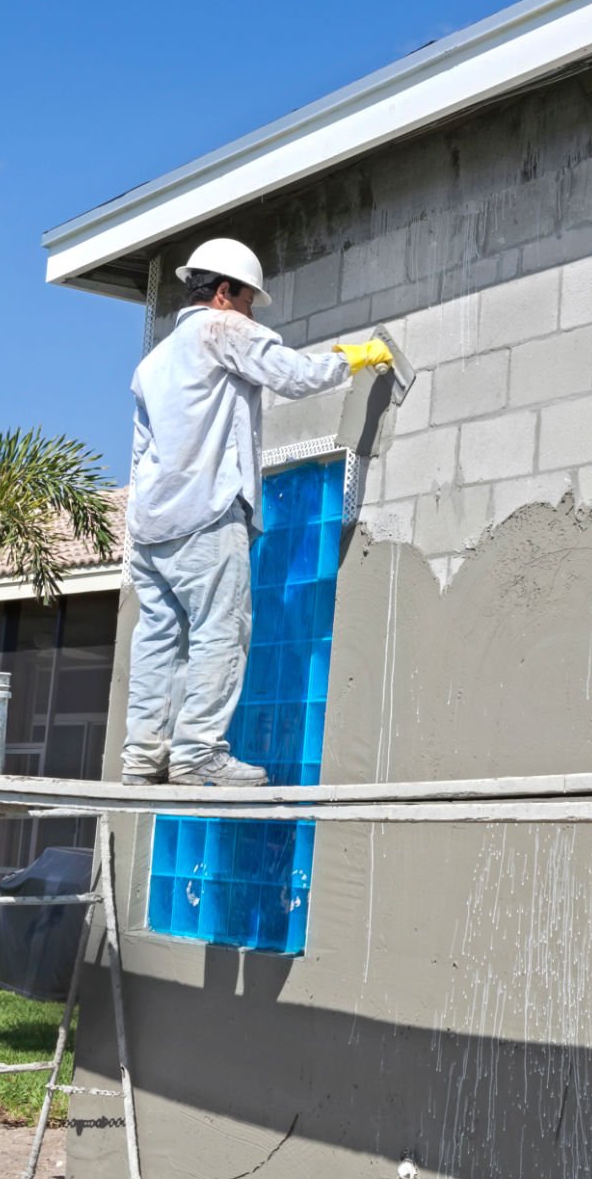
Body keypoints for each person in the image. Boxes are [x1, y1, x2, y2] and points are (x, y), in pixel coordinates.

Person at [122, 237, 391, 786]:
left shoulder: (150, 364)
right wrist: (353, 359)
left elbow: (139, 453)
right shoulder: (221, 329)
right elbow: (292, 374)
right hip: (206, 515)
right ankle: (197, 755)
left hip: (152, 526)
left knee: (158, 640)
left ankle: (143, 759)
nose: (252, 311)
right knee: (221, 632)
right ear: (224, 293)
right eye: (249, 300)